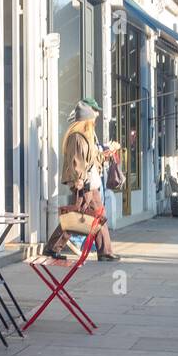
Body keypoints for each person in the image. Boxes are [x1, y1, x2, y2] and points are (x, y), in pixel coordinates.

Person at [59, 99, 120, 262]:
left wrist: (107, 153)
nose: (98, 115)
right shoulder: (78, 136)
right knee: (73, 217)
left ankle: (105, 251)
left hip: (90, 182)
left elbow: (91, 159)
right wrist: (79, 179)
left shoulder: (87, 135)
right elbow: (76, 160)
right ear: (87, 116)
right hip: (84, 183)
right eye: (95, 112)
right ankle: (52, 247)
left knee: (98, 215)